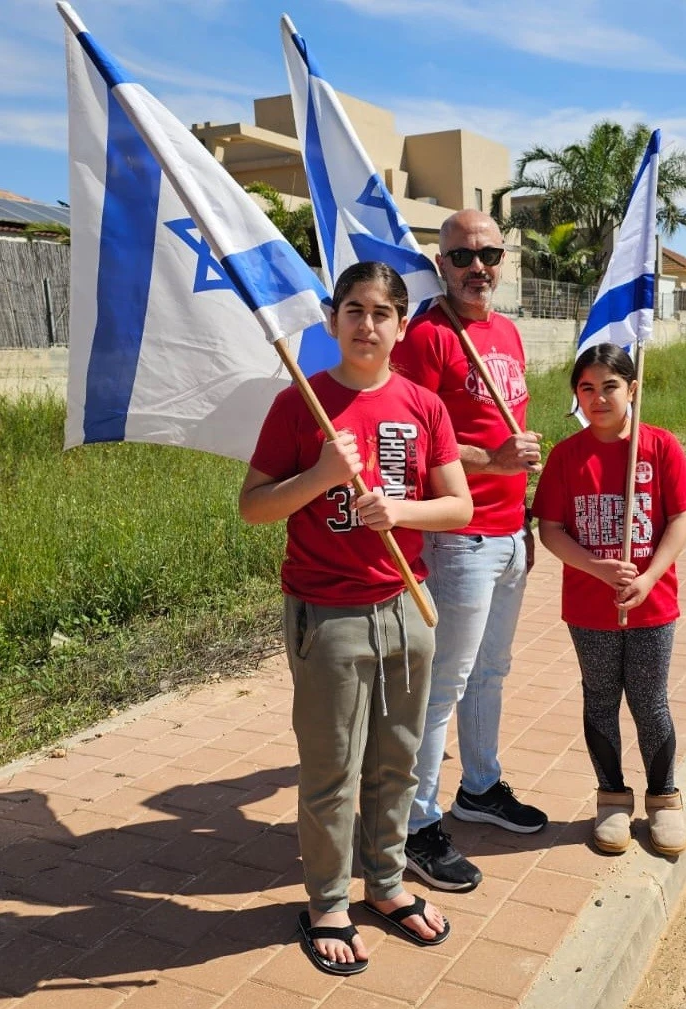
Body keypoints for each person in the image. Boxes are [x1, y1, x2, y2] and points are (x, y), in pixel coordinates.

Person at [239, 262, 473, 974]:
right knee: (332, 766)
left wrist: (399, 510)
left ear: (403, 325)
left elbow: (459, 506)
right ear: (333, 319)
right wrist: (320, 477)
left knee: (397, 757)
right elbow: (254, 505)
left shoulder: (424, 404)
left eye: (381, 312)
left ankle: (389, 881)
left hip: (406, 606)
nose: (366, 324)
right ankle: (329, 900)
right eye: (353, 310)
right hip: (328, 613)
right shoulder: (300, 404)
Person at [391, 209, 547, 892]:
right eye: (462, 256)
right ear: (440, 263)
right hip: (457, 537)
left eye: (489, 253)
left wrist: (529, 520)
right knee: (441, 686)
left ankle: (479, 787)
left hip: (510, 532)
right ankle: (415, 825)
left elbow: (510, 435)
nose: (477, 266)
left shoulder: (506, 330)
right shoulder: (426, 336)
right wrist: (495, 459)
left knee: (492, 673)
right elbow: (414, 447)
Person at [532, 343, 686, 856]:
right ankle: (611, 800)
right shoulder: (567, 455)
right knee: (600, 699)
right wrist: (596, 568)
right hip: (589, 608)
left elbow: (682, 518)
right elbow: (552, 530)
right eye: (587, 388)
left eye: (609, 386)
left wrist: (649, 577)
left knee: (650, 702)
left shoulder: (660, 446)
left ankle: (664, 799)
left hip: (653, 605)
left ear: (632, 388)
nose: (599, 397)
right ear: (576, 396)